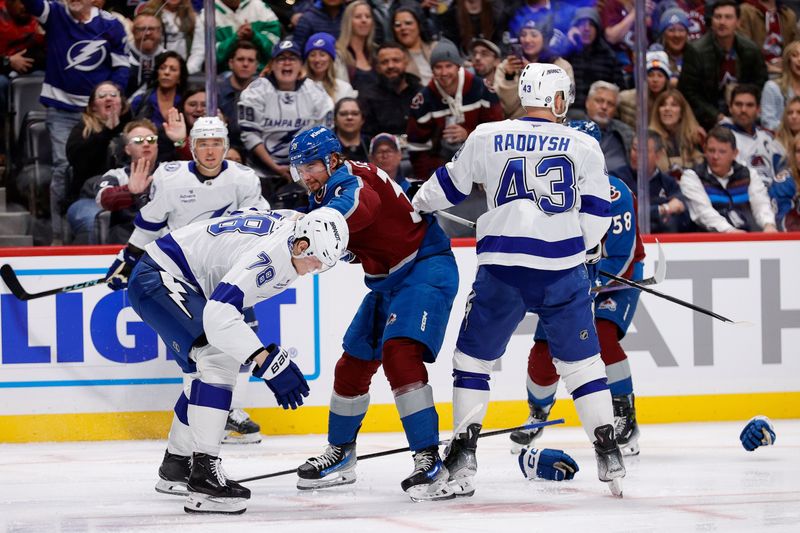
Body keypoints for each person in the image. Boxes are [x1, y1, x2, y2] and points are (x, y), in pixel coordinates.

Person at [411, 63, 625, 497]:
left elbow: (448, 187)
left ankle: (465, 449)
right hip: (561, 271)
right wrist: (576, 247)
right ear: (557, 99)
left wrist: (417, 203)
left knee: (472, 362)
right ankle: (608, 451)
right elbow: (600, 215)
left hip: (502, 269)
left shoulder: (487, 134)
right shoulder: (583, 143)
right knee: (582, 365)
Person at [125, 207, 348, 513]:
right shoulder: (271, 259)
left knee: (199, 376)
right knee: (218, 359)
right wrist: (266, 361)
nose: (314, 268)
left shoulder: (297, 227)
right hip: (161, 277)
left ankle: (177, 466)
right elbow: (219, 315)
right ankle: (204, 477)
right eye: (315, 260)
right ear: (300, 246)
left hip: (173, 275)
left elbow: (297, 216)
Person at [289, 125, 460, 501]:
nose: (305, 175)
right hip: (390, 279)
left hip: (425, 267)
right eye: (300, 168)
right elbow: (352, 241)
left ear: (333, 159)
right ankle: (341, 454)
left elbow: (356, 209)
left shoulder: (350, 185)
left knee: (400, 355)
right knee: (352, 365)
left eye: (311, 166)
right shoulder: (332, 187)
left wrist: (306, 223)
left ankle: (429, 459)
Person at [509, 122, 646, 458]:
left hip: (614, 280)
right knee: (543, 351)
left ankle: (625, 416)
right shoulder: (550, 192)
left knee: (603, 335)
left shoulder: (615, 191)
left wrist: (593, 283)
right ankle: (538, 414)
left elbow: (622, 252)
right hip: (569, 281)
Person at [22, 0, 130, 245]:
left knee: (110, 161)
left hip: (99, 108)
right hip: (61, 108)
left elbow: (122, 66)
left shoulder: (110, 24)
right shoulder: (56, 14)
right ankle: (59, 234)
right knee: (63, 167)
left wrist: (114, 96)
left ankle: (111, 220)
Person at [237, 39, 333, 200]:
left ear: (301, 64)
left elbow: (324, 136)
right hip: (261, 173)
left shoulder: (316, 92)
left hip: (307, 173)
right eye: (281, 59)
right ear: (272, 64)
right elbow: (249, 134)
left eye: (292, 58)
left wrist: (302, 168)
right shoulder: (255, 91)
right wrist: (275, 167)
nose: (287, 63)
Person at [407, 38, 503, 184]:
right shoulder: (422, 101)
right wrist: (428, 183)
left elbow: (498, 133)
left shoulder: (481, 88)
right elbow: (417, 150)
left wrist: (469, 134)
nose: (444, 72)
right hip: (442, 169)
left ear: (458, 67)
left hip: (480, 164)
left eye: (448, 66)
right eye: (438, 67)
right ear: (431, 69)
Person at [678, 0, 767, 130]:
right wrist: (717, 116)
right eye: (718, 17)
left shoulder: (751, 49)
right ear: (711, 21)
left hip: (742, 111)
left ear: (738, 22)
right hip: (706, 118)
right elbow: (689, 93)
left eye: (728, 17)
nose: (722, 22)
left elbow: (760, 82)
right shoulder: (695, 51)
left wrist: (745, 106)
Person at [65, 82, 132, 243]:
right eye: (102, 96)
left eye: (113, 95)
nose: (108, 98)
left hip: (130, 198)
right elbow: (80, 164)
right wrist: (106, 133)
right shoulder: (83, 129)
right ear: (93, 106)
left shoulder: (133, 129)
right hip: (88, 197)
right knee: (93, 222)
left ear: (121, 103)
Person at [680, 126, 778, 233]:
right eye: (711, 150)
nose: (715, 156)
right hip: (708, 241)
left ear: (735, 154)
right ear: (705, 150)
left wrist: (768, 224)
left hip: (745, 235)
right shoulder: (692, 176)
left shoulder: (748, 174)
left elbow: (761, 203)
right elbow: (703, 213)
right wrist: (731, 232)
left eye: (722, 152)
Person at [91, 119, 160, 243]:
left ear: (157, 145)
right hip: (125, 244)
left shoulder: (170, 171)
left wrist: (180, 143)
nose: (146, 144)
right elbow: (102, 199)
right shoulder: (117, 175)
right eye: (138, 140)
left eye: (151, 139)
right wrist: (128, 191)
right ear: (128, 149)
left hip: (165, 245)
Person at [494, 18, 574, 120]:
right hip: (517, 125)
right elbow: (505, 108)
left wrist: (534, 73)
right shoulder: (507, 66)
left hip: (551, 125)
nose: (527, 40)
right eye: (523, 35)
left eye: (534, 35)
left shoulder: (562, 66)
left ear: (545, 38)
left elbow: (565, 102)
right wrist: (509, 77)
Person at [187, 0, 281, 74]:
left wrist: (254, 35)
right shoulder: (206, 15)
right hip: (223, 76)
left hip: (261, 73)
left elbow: (275, 48)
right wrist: (235, 39)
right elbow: (208, 56)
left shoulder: (259, 7)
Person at [720, 84, 786, 188]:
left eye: (749, 105)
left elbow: (783, 170)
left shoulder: (767, 137)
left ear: (758, 109)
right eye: (738, 104)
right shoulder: (721, 137)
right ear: (730, 108)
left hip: (773, 196)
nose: (743, 110)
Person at [564, 7, 625, 113]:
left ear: (598, 29)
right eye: (582, 24)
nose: (587, 29)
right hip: (570, 111)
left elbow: (620, 88)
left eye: (591, 25)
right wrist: (566, 43)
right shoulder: (566, 51)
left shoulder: (608, 55)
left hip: (600, 112)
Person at [357, 41, 422, 138]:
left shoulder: (421, 93)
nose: (390, 66)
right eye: (384, 62)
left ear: (406, 63)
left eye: (396, 60)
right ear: (378, 67)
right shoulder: (368, 97)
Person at [0, 0, 46, 115]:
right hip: (2, 70)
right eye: (21, 2)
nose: (25, 7)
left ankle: (30, 127)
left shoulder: (39, 15)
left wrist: (43, 38)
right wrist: (8, 60)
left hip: (31, 69)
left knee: (43, 79)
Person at [584, 81, 633, 179]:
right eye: (599, 101)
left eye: (610, 104)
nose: (604, 107)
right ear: (587, 103)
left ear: (615, 110)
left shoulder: (626, 133)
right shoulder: (571, 129)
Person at [649, 88, 705, 174]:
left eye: (674, 105)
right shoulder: (649, 138)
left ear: (682, 112)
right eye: (663, 105)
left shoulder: (695, 137)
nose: (667, 109)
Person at [737, 0, 796, 78]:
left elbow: (795, 47)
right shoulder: (745, 11)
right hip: (757, 72)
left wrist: (786, 63)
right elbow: (745, 48)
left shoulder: (788, 14)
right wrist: (765, 66)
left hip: (785, 71)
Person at [131, 51, 189, 130]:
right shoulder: (140, 101)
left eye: (173, 69)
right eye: (162, 68)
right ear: (157, 73)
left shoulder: (186, 103)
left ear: (180, 77)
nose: (166, 72)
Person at [218, 40, 259, 149]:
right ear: (231, 63)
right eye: (240, 59)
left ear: (256, 66)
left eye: (250, 60)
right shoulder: (216, 93)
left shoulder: (263, 93)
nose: (245, 64)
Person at [616, 50, 670, 129]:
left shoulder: (673, 103)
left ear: (666, 80)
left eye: (660, 75)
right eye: (651, 75)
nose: (655, 80)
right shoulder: (624, 98)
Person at [335, 0, 377, 90]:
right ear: (348, 22)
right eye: (358, 17)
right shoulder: (338, 54)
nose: (364, 20)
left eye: (368, 16)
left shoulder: (376, 52)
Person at [304, 32, 357, 103]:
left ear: (331, 59)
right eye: (312, 55)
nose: (317, 59)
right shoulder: (301, 88)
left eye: (322, 55)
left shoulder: (344, 88)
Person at [760, 40, 800, 132]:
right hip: (780, 139)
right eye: (795, 55)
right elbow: (768, 122)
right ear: (788, 61)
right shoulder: (772, 87)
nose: (799, 59)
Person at [392, 4, 435, 86]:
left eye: (408, 23)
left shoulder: (436, 48)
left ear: (419, 25)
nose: (403, 28)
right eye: (398, 25)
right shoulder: (394, 59)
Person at [127, 11, 166, 96]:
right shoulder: (121, 56)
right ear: (133, 31)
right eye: (142, 29)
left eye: (152, 29)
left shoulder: (167, 58)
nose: (148, 33)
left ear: (160, 31)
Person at [656, 7, 690, 84]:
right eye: (671, 30)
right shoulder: (656, 55)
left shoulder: (696, 57)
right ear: (663, 34)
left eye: (681, 30)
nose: (677, 35)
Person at [333, 98, 368, 162]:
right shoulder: (326, 147)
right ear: (335, 119)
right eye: (343, 114)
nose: (349, 117)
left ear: (362, 119)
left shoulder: (371, 145)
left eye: (355, 113)